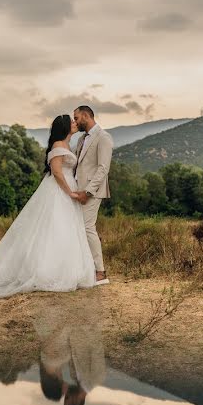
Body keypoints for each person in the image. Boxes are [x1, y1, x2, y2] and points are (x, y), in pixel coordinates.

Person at [0, 114, 96, 298]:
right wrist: (70, 192)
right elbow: (56, 172)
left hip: (67, 189)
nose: (75, 123)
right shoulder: (58, 145)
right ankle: (47, 271)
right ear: (64, 127)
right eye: (71, 122)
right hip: (59, 191)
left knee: (67, 229)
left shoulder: (66, 145)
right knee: (55, 228)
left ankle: (65, 268)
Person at [72, 106, 113, 285]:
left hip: (92, 192)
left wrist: (88, 192)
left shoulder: (103, 137)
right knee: (78, 228)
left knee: (88, 227)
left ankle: (100, 272)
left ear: (86, 116)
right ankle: (85, 267)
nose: (74, 122)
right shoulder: (82, 138)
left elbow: (103, 169)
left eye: (76, 118)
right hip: (77, 191)